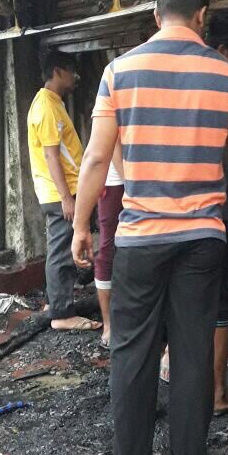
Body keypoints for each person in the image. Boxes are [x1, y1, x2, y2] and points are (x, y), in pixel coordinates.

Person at [72, 0, 228, 455]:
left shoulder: (119, 71)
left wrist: (82, 224)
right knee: (192, 350)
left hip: (140, 237)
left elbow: (96, 157)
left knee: (133, 352)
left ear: (156, 14)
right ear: (203, 16)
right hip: (203, 238)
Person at [159, 7, 228, 412]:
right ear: (223, 50)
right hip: (217, 216)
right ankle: (216, 393)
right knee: (220, 304)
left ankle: (173, 375)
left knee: (176, 299)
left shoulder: (163, 77)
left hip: (161, 214)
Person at [27, 50, 101, 331]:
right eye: (72, 72)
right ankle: (61, 314)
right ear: (58, 71)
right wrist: (67, 198)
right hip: (60, 192)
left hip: (62, 191)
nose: (76, 78)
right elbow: (51, 156)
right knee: (62, 252)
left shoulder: (51, 103)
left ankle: (54, 304)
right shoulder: (46, 106)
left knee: (59, 248)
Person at [94, 141, 125, 347]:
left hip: (149, 179)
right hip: (117, 181)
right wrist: (132, 184)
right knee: (108, 248)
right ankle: (109, 324)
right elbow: (113, 142)